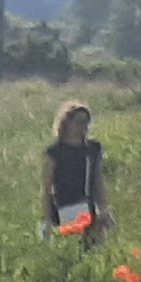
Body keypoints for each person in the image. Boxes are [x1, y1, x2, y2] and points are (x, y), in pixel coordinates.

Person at [43, 102, 111, 240]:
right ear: (66, 123)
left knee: (95, 248)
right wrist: (47, 219)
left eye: (86, 122)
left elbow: (98, 180)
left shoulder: (93, 149)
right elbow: (47, 189)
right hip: (66, 208)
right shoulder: (54, 153)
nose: (83, 127)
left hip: (91, 207)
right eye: (79, 122)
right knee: (73, 247)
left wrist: (104, 209)